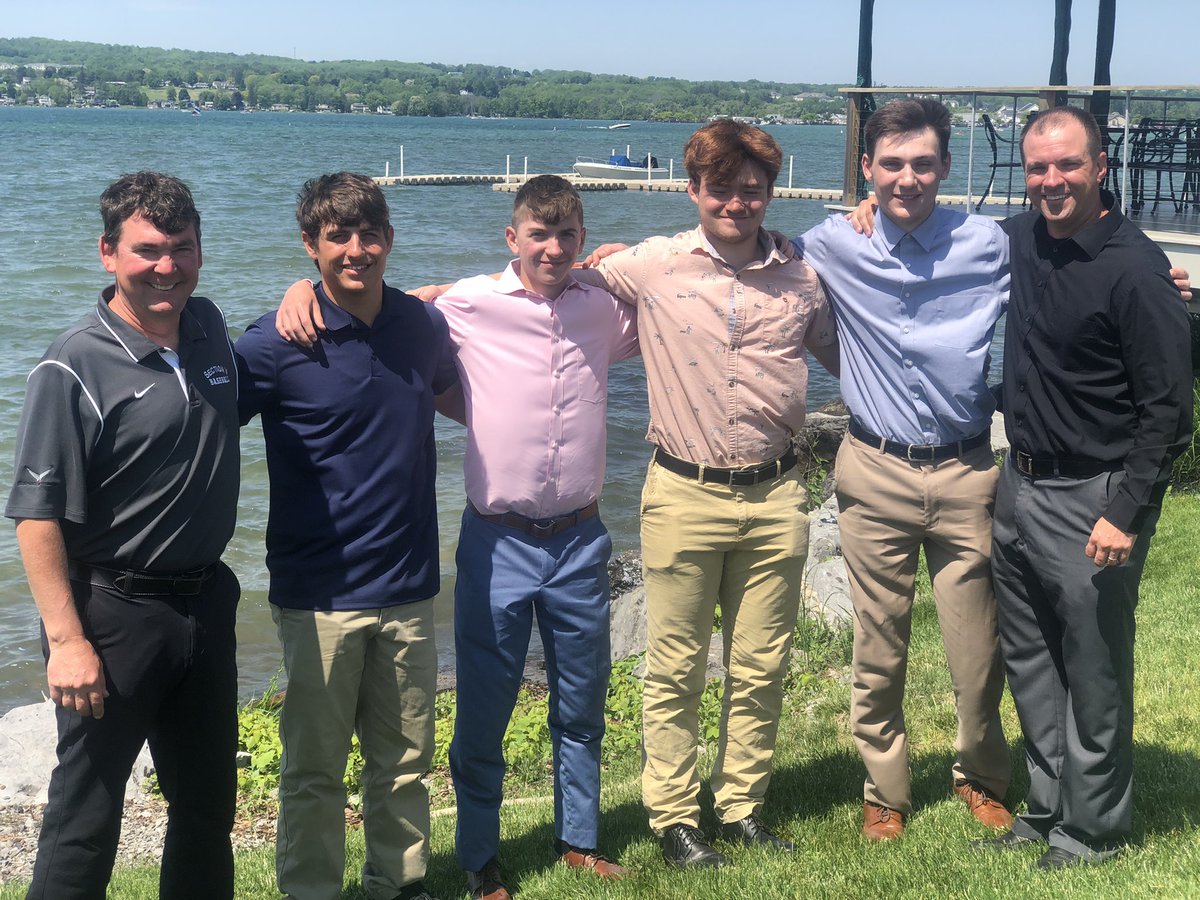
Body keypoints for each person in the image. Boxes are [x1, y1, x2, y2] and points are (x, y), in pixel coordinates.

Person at [274, 174, 638, 900]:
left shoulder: (603, 308)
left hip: (581, 538)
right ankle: (480, 859)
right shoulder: (466, 304)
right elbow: (366, 292)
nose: (554, 247)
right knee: (483, 705)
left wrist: (630, 261)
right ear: (513, 238)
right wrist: (298, 290)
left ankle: (579, 840)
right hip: (497, 541)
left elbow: (677, 293)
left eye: (568, 234)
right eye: (540, 233)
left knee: (582, 702)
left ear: (583, 239)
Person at [579, 120, 838, 868]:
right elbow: (545, 279)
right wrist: (423, 299)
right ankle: (674, 818)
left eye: (751, 189)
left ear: (769, 192)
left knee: (762, 661)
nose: (736, 202)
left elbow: (853, 352)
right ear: (692, 190)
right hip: (683, 493)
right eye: (720, 188)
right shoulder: (651, 264)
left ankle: (743, 807)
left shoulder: (801, 277)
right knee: (675, 665)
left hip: (777, 494)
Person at [5, 171, 241, 900]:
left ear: (200, 251)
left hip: (205, 604)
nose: (166, 266)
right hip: (112, 616)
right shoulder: (72, 363)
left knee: (207, 807)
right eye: (147, 250)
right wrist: (67, 640)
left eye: (181, 248)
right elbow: (36, 516)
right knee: (88, 810)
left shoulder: (207, 327)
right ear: (108, 253)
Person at [236, 172, 458, 900]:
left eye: (369, 235)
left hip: (408, 587)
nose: (356, 250)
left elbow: (460, 385)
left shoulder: (421, 327)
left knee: (404, 760)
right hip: (317, 595)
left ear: (389, 240)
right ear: (311, 245)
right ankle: (312, 892)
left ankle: (397, 885)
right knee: (312, 770)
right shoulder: (274, 343)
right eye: (338, 237)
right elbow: (197, 410)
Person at [795, 98, 1012, 841]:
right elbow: (738, 252)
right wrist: (612, 266)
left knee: (977, 650)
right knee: (877, 647)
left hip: (967, 472)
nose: (907, 178)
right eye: (891, 164)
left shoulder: (989, 243)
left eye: (923, 163)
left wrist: (1156, 279)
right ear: (867, 168)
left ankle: (981, 775)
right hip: (874, 470)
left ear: (946, 168)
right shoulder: (832, 242)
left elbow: (1077, 254)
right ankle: (885, 791)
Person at [982, 105, 1192, 869]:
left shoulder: (1136, 269)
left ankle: (1093, 829)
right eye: (1038, 167)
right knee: (1031, 659)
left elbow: (1170, 412)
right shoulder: (1022, 239)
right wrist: (873, 206)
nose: (1051, 181)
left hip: (1093, 496)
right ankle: (1048, 805)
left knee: (1094, 669)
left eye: (1067, 165)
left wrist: (1124, 514)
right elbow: (931, 235)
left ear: (1101, 167)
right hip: (1020, 484)